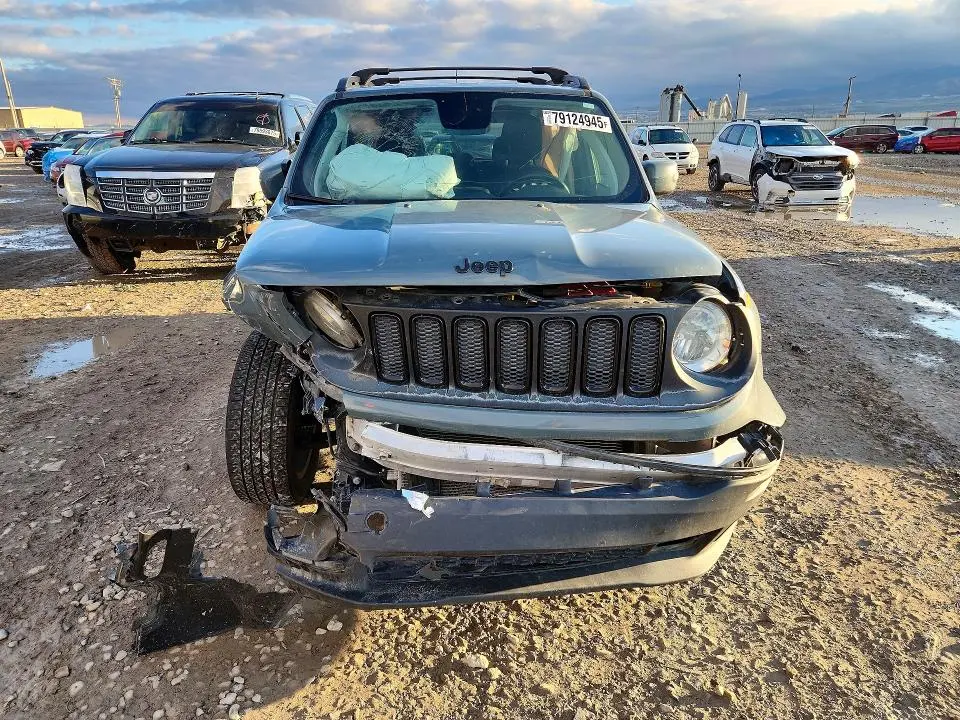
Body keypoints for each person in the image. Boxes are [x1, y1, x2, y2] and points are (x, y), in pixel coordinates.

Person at [348, 109, 425, 157]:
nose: (362, 132)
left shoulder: (396, 142)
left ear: (374, 118)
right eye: (357, 131)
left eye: (361, 126)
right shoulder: (357, 148)